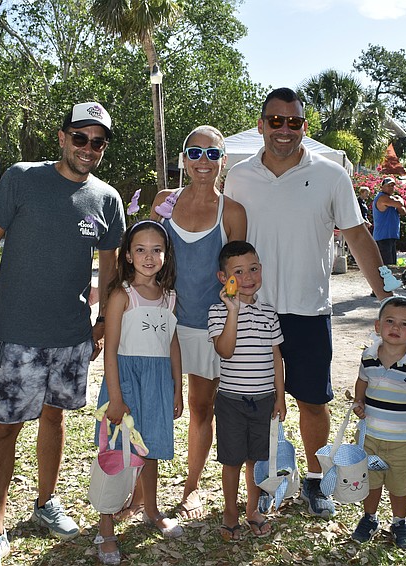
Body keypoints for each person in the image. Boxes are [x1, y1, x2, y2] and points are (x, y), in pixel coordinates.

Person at [0, 102, 125, 566]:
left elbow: (111, 271)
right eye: (80, 137)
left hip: (71, 337)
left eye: (98, 141)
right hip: (16, 333)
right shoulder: (22, 179)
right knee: (4, 429)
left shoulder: (107, 199)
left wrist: (99, 325)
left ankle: (45, 504)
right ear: (62, 137)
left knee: (54, 420)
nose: (89, 148)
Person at [224, 87, 391, 519]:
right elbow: (225, 242)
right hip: (255, 312)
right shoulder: (239, 176)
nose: (284, 130)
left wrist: (384, 296)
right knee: (256, 404)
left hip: (309, 311)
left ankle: (316, 481)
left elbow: (356, 235)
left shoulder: (332, 176)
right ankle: (263, 482)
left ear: (304, 126)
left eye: (293, 122)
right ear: (261, 125)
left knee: (312, 402)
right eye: (275, 121)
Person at [148, 125, 247, 521]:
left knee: (200, 406)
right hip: (162, 321)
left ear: (224, 161)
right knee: (152, 403)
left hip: (208, 326)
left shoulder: (233, 211)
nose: (202, 161)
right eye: (194, 153)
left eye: (212, 154)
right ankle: (143, 492)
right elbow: (149, 254)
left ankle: (191, 487)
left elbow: (236, 271)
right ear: (183, 160)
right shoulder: (163, 201)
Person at [95, 220, 184, 564]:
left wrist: (177, 387)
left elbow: (172, 344)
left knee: (150, 449)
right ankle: (105, 528)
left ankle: (150, 508)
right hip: (127, 381)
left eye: (157, 249)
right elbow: (112, 350)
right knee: (117, 453)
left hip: (158, 382)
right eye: (141, 250)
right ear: (128, 256)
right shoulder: (122, 295)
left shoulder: (169, 297)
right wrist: (116, 398)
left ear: (166, 254)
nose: (149, 256)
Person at [207, 241, 285, 542]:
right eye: (237, 272)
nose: (248, 277)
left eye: (253, 269)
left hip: (264, 400)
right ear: (222, 278)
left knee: (256, 459)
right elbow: (225, 351)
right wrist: (233, 311)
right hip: (231, 401)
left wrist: (280, 397)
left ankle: (252, 510)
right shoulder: (218, 312)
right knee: (232, 460)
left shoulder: (269, 312)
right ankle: (230, 511)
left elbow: (276, 358)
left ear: (261, 270)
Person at [351, 296, 406, 549]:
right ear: (378, 326)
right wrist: (358, 401)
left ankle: (399, 522)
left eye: (404, 324)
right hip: (370, 438)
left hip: (402, 441)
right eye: (390, 321)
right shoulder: (368, 356)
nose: (396, 328)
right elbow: (362, 381)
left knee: (399, 486)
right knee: (372, 482)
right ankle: (370, 518)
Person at [372, 177, 406, 266]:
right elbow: (400, 204)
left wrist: (398, 200)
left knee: (392, 266)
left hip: (391, 237)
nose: (391, 188)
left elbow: (403, 211)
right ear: (382, 187)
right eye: (389, 186)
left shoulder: (391, 200)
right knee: (387, 267)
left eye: (392, 186)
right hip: (383, 237)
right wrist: (400, 199)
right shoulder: (383, 198)